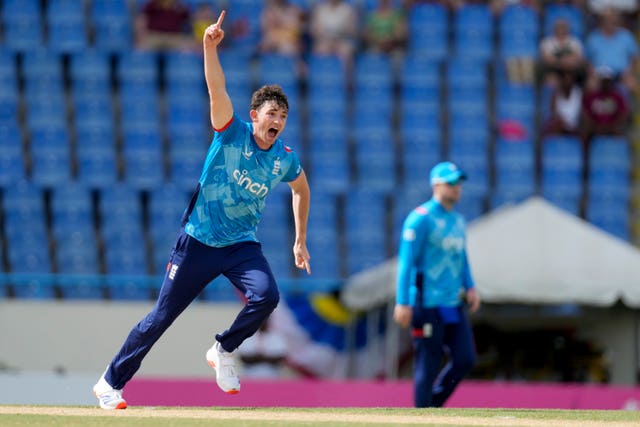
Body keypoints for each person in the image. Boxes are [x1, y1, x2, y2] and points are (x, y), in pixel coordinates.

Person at [92, 10, 312, 410]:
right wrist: (209, 48)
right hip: (198, 239)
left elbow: (301, 188)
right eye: (271, 114)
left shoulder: (284, 158)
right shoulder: (230, 132)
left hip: (241, 245)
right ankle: (109, 381)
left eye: (282, 115)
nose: (277, 120)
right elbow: (217, 90)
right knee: (160, 318)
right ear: (254, 116)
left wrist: (300, 239)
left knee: (267, 297)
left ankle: (223, 349)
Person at [393, 161, 481, 408]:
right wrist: (403, 301)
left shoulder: (458, 221)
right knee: (428, 361)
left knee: (466, 359)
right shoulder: (420, 219)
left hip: (452, 302)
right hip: (426, 302)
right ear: (436, 184)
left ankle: (432, 405)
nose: (457, 188)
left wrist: (471, 287)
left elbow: (462, 258)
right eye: (451, 183)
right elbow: (405, 263)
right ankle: (423, 416)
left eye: (459, 183)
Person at [539, 18, 586, 88]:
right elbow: (547, 59)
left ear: (568, 29)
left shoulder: (575, 42)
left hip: (572, 72)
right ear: (554, 29)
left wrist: (559, 60)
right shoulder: (546, 42)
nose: (561, 30)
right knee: (552, 80)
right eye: (559, 27)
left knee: (570, 78)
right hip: (553, 71)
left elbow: (578, 58)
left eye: (563, 27)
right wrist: (563, 62)